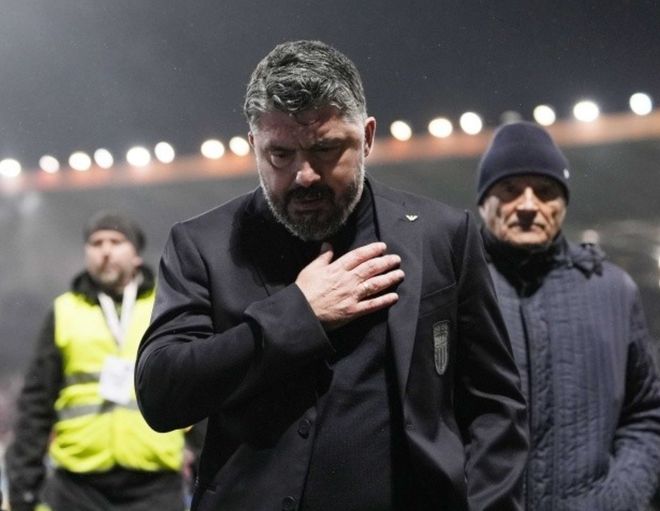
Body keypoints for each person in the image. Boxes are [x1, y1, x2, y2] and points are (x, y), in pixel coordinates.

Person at [135, 40, 528, 511]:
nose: (304, 175)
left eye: (325, 149)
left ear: (367, 137)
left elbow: (494, 407)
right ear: (253, 147)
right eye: (280, 154)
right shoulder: (202, 244)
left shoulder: (442, 235)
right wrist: (299, 314)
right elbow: (161, 396)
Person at [476, 121, 660, 510]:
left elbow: (646, 412)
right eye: (510, 190)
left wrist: (620, 497)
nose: (529, 206)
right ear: (483, 202)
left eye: (546, 191)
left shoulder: (612, 290)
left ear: (563, 203)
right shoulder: (453, 287)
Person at [5, 212, 187, 511]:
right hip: (78, 487)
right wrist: (23, 486)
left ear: (136, 255)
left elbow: (193, 385)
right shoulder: (64, 311)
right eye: (96, 243)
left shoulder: (164, 307)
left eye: (116, 242)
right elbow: (36, 404)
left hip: (155, 485)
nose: (105, 251)